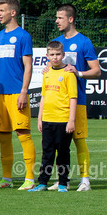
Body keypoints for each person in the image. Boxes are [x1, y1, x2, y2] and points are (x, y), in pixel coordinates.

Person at [0, 0, 35, 190]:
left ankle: (30, 178)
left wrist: (24, 91)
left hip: (17, 93)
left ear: (13, 12)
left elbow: (28, 65)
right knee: (3, 136)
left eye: (2, 10)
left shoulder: (23, 36)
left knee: (23, 133)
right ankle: (6, 178)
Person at [52, 4, 99, 192]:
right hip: (58, 102)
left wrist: (78, 73)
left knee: (79, 140)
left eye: (60, 18)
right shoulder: (56, 42)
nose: (56, 21)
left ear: (70, 19)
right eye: (56, 18)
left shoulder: (84, 42)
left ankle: (85, 180)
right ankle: (63, 180)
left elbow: (96, 71)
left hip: (76, 100)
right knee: (59, 144)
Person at [31, 41, 78, 192]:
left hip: (63, 120)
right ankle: (42, 182)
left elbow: (73, 97)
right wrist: (40, 118)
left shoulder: (68, 74)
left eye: (58, 54)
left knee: (63, 153)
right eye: (52, 54)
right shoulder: (46, 73)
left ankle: (63, 183)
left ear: (63, 55)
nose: (55, 57)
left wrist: (71, 120)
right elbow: (43, 97)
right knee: (47, 153)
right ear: (47, 56)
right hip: (47, 119)